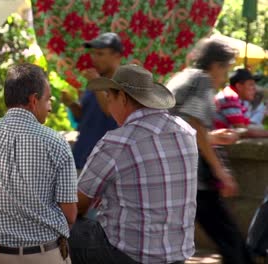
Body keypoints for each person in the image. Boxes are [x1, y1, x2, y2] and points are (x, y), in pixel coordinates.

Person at [75, 64, 198, 264]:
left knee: (62, 228)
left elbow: (77, 206)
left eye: (109, 98)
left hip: (129, 255)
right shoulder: (185, 131)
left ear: (122, 98)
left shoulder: (119, 141)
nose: (109, 106)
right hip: (177, 255)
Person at [0, 63, 77, 264]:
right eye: (48, 100)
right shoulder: (56, 142)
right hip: (42, 255)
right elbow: (70, 214)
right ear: (33, 100)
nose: (50, 107)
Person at [166, 39, 254, 264]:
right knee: (227, 234)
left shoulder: (184, 76)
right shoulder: (202, 80)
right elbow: (194, 123)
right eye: (225, 68)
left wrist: (212, 137)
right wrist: (221, 172)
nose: (225, 77)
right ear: (216, 65)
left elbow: (182, 125)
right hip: (192, 175)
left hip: (170, 169)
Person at [61, 32, 120, 171]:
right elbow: (83, 117)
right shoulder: (93, 81)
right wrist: (71, 103)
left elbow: (111, 112)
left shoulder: (122, 83)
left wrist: (96, 83)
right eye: (93, 54)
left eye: (100, 54)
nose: (94, 59)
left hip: (105, 165)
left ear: (116, 56)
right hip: (81, 158)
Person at [214, 68, 268, 137]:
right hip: (217, 145)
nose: (254, 88)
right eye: (251, 84)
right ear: (239, 86)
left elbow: (246, 126)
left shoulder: (239, 99)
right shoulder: (230, 97)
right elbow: (242, 130)